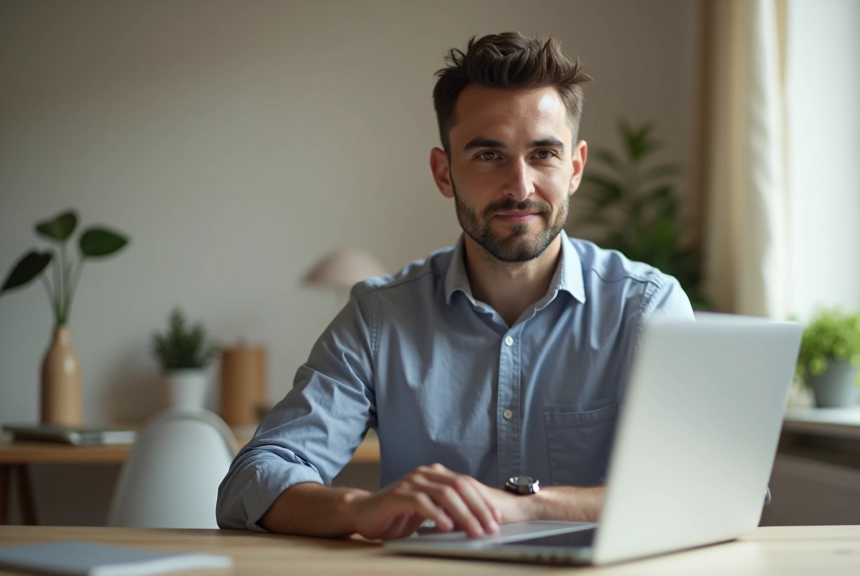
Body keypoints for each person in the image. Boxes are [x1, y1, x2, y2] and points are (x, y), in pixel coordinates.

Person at [216, 31, 694, 541]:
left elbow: (704, 484)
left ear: (574, 168)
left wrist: (527, 509)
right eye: (489, 155)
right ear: (444, 173)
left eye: (543, 155)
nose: (520, 186)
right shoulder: (379, 318)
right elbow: (253, 478)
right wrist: (358, 508)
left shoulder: (647, 307)